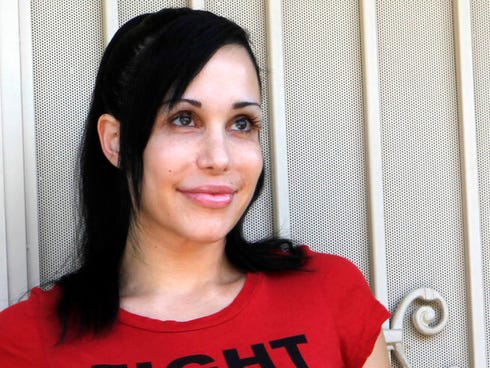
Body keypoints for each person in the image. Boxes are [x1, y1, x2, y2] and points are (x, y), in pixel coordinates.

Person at [0, 7, 390, 367]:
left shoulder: (329, 292)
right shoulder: (25, 342)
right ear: (116, 141)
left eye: (241, 123)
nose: (219, 158)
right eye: (184, 118)